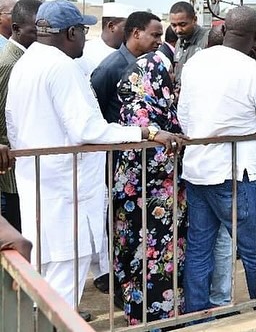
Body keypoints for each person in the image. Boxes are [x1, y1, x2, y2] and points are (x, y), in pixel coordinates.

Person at [5, 0, 184, 307]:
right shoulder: (61, 66)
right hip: (64, 190)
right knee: (63, 282)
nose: (85, 39)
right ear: (71, 32)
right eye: (83, 32)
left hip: (42, 183)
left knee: (45, 277)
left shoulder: (29, 61)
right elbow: (87, 130)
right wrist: (144, 132)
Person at [179, 6, 256, 313]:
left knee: (200, 251)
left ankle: (197, 318)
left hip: (198, 171)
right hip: (237, 175)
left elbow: (184, 119)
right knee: (255, 252)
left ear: (224, 31)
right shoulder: (255, 72)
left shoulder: (196, 62)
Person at [112, 52, 187, 325]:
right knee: (147, 262)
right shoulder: (139, 109)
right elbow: (153, 158)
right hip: (147, 201)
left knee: (158, 263)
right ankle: (150, 319)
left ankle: (162, 316)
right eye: (166, 76)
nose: (170, 80)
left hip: (159, 201)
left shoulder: (159, 106)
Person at [0, 0, 40, 232]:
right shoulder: (10, 62)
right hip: (12, 167)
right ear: (16, 29)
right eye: (34, 31)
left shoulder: (26, 58)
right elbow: (4, 115)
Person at [91, 11, 163, 123]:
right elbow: (95, 110)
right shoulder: (109, 68)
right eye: (155, 35)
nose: (160, 42)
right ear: (136, 33)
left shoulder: (151, 65)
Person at [76, 2, 135, 76]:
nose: (133, 34)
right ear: (111, 26)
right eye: (129, 29)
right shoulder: (84, 52)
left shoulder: (133, 54)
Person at [169, 1, 209, 86]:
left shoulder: (207, 39)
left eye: (182, 24)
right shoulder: (179, 41)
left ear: (194, 20)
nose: (178, 30)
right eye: (174, 25)